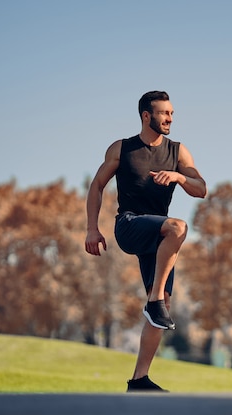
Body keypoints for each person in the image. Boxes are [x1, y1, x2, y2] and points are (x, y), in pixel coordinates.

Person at [85, 90, 207, 392]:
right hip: (129, 225)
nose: (170, 119)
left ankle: (139, 379)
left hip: (158, 235)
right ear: (146, 116)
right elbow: (97, 186)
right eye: (165, 113)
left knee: (163, 303)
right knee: (178, 228)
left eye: (172, 114)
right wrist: (91, 228)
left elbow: (200, 188)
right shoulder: (122, 149)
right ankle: (153, 303)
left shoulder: (178, 152)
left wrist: (179, 177)